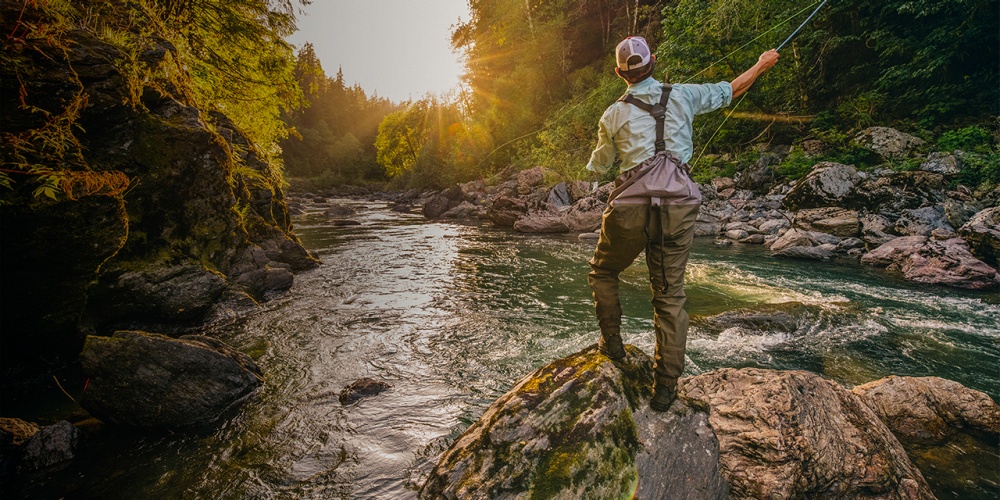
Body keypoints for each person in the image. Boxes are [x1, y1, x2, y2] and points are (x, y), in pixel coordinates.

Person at [586, 36, 779, 411]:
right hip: (679, 206)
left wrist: (596, 162)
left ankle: (612, 344)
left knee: (604, 272)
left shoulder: (612, 114)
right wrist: (760, 64)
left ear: (618, 73)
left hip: (629, 210)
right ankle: (665, 390)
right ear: (653, 62)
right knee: (670, 297)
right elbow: (732, 89)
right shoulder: (686, 94)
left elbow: (602, 162)